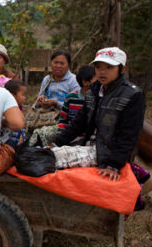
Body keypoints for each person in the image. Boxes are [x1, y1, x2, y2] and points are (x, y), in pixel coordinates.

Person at [53, 47, 145, 181]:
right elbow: (78, 123)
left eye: (109, 67)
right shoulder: (94, 90)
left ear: (122, 69)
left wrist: (113, 165)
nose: (102, 72)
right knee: (44, 151)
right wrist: (57, 142)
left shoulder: (132, 94)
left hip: (108, 152)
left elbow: (129, 134)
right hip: (88, 146)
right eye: (98, 67)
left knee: (49, 158)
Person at [57, 65, 96, 133]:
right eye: (96, 80)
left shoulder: (98, 99)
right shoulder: (71, 97)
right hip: (70, 135)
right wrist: (60, 134)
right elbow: (63, 119)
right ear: (85, 82)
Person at [1, 79, 27, 149]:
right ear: (12, 96)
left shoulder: (16, 108)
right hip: (4, 144)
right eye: (23, 95)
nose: (25, 97)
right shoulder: (5, 109)